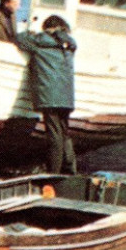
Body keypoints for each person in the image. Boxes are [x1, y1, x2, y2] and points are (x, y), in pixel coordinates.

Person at [15, 14, 78, 175]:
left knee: (54, 136)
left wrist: (30, 30)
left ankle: (54, 173)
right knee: (64, 133)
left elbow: (19, 38)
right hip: (66, 97)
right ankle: (70, 169)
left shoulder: (39, 43)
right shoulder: (69, 46)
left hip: (49, 97)